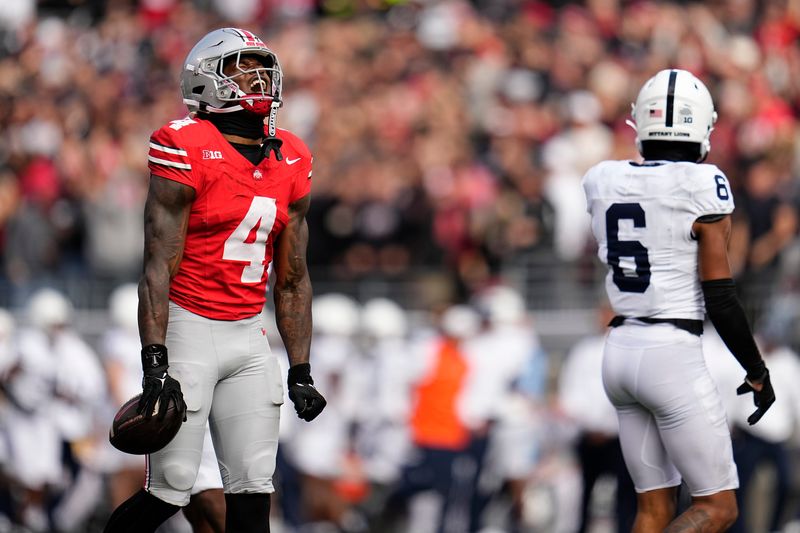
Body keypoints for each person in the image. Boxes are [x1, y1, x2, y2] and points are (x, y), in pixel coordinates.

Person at [103, 27, 327, 533]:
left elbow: (293, 278)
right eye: (241, 66)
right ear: (205, 79)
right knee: (172, 486)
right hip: (188, 323)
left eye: (261, 65)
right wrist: (155, 360)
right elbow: (157, 265)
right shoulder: (184, 143)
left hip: (249, 332)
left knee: (253, 488)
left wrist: (301, 369)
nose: (258, 76)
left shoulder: (292, 155)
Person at [582, 69, 776, 533]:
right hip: (671, 353)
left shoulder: (602, 178)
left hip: (620, 348)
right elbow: (721, 296)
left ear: (639, 124)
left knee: (652, 508)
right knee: (718, 507)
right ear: (704, 127)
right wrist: (755, 368)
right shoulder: (703, 184)